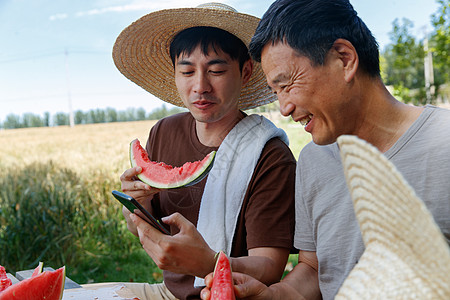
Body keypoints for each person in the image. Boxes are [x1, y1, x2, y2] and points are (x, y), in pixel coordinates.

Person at [200, 0, 450, 299]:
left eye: (287, 84)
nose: (285, 108)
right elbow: (316, 270)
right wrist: (271, 295)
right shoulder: (313, 160)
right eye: (276, 91)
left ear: (344, 59)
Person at [112, 3, 296, 300]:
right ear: (175, 75)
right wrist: (132, 206)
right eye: (186, 71)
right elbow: (141, 229)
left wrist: (210, 263)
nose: (200, 86)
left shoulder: (270, 156)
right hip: (168, 293)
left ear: (246, 71)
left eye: (217, 70)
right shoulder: (163, 132)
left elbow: (271, 266)